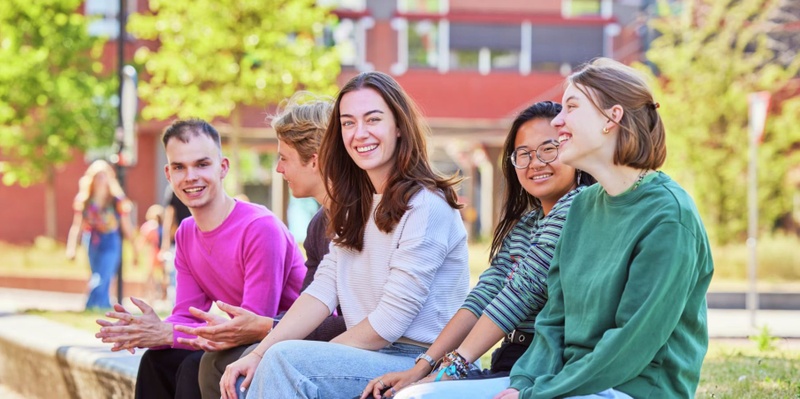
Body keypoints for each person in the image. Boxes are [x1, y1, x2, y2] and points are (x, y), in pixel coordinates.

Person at [219, 71, 471, 399]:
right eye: (348, 123)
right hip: (367, 354)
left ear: (398, 126)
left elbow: (389, 322)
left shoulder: (426, 206)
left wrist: (310, 357)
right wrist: (258, 353)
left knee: (286, 361)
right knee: (250, 370)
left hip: (415, 359)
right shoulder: (354, 206)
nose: (359, 133)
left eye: (373, 119)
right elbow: (321, 291)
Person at [489, 58, 713, 399]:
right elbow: (552, 322)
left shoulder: (669, 217)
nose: (559, 121)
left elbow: (630, 344)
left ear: (612, 118)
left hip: (632, 389)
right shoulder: (580, 207)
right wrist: (522, 385)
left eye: (571, 107)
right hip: (566, 385)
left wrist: (537, 394)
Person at [361, 101, 595, 399]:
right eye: (523, 154)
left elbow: (520, 293)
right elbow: (484, 295)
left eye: (549, 149)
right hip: (511, 359)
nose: (535, 162)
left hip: (548, 366)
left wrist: (450, 369)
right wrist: (422, 367)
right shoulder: (526, 223)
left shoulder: (579, 205)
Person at [94, 118, 307, 399]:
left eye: (202, 164)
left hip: (295, 340)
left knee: (195, 365)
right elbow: (186, 314)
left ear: (223, 168)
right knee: (157, 362)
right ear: (169, 175)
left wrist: (167, 334)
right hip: (247, 339)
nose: (191, 176)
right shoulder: (186, 233)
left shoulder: (259, 228)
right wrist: (145, 331)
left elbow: (251, 325)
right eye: (180, 167)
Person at [188, 92, 348, 399]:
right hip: (325, 340)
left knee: (230, 367)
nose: (278, 169)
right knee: (209, 362)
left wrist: (265, 329)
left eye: (283, 158)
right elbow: (312, 307)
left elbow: (364, 320)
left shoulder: (361, 218)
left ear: (314, 161)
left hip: (362, 347)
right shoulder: (318, 226)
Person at [65, 159, 138, 310]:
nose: (101, 180)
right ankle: (103, 306)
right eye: (97, 176)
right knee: (97, 275)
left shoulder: (116, 201)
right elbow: (77, 226)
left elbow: (127, 226)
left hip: (111, 240)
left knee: (103, 276)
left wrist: (135, 249)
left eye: (104, 176)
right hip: (92, 241)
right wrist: (71, 247)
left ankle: (90, 305)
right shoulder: (85, 201)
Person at [160, 185, 191, 302]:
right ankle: (177, 305)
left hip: (198, 237)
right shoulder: (174, 190)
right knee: (176, 275)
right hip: (178, 239)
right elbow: (169, 218)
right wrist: (165, 245)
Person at [137, 203, 167, 304]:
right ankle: (163, 295)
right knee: (163, 274)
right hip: (162, 251)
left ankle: (151, 296)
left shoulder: (149, 226)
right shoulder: (164, 226)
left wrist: (136, 253)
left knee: (150, 276)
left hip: (151, 252)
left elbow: (143, 240)